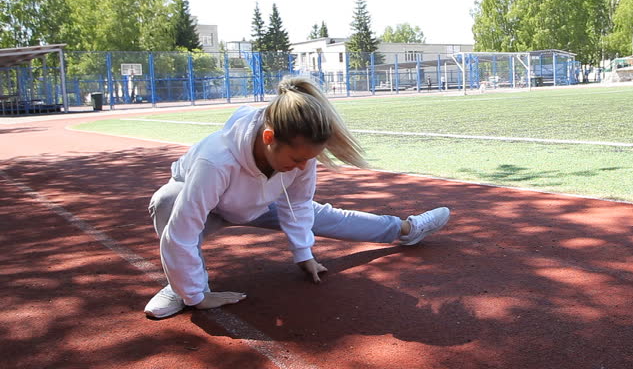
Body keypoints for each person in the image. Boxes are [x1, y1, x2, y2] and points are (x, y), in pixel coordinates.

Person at [144, 76, 451, 319]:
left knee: (329, 216)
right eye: (296, 159)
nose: (303, 167)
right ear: (269, 139)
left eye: (310, 159)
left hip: (260, 202)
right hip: (210, 205)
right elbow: (182, 231)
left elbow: (301, 204)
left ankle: (405, 230)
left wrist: (304, 254)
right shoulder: (216, 161)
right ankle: (181, 287)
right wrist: (197, 296)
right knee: (167, 201)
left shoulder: (301, 156)